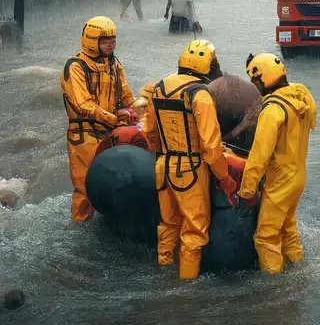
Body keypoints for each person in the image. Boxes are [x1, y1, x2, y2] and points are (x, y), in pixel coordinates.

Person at [140, 39, 237, 279]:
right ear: (205, 67)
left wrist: (160, 152)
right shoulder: (200, 94)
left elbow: (149, 132)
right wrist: (224, 178)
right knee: (194, 232)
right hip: (191, 170)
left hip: (163, 167)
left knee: (168, 225)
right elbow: (211, 145)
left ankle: (164, 273)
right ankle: (185, 290)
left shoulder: (158, 87)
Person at [240, 53, 317, 273]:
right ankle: (297, 266)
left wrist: (247, 190)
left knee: (265, 237)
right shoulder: (298, 97)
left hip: (281, 181)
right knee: (287, 227)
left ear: (262, 78)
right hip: (298, 177)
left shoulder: (273, 109)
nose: (254, 86)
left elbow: (259, 155)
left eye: (255, 81)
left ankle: (275, 291)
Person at [60, 16, 136, 222]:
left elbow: (127, 97)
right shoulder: (75, 67)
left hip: (110, 132)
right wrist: (113, 119)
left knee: (114, 183)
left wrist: (143, 112)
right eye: (105, 41)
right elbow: (83, 104)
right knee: (85, 187)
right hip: (84, 136)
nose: (111, 44)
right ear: (92, 42)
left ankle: (110, 222)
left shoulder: (114, 64)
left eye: (113, 40)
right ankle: (81, 226)